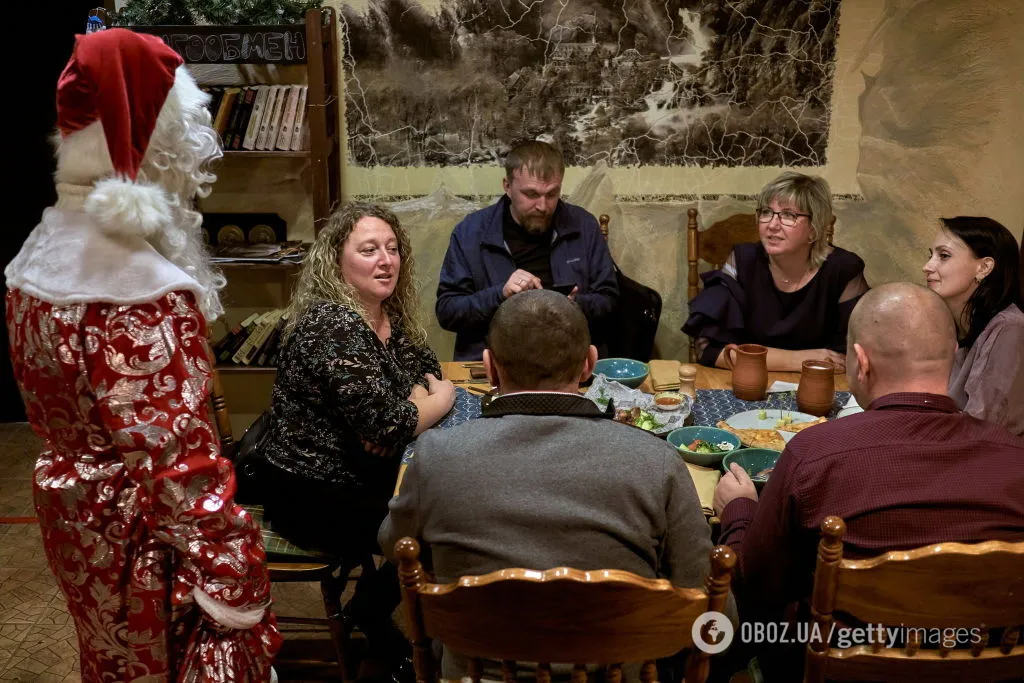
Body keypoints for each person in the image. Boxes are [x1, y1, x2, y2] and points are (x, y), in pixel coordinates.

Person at [4, 29, 280, 681]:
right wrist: (239, 589)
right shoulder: (136, 291)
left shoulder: (37, 263)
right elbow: (181, 474)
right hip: (142, 542)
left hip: (75, 522)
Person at [381, 289, 733, 679]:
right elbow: (714, 612)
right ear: (589, 365)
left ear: (490, 367)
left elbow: (392, 546)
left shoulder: (436, 457)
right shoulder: (657, 461)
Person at [712, 283, 1024, 680]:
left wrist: (739, 510)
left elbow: (754, 588)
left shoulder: (817, 454)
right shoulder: (1015, 458)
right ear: (951, 359)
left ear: (861, 362)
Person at [254, 202, 455, 669]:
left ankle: (374, 604)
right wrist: (436, 402)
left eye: (391, 248)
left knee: (446, 497)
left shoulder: (384, 314)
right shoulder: (334, 323)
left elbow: (423, 369)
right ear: (336, 261)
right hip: (311, 492)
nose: (385, 260)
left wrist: (404, 409)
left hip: (361, 471)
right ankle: (371, 610)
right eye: (368, 250)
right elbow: (390, 423)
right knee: (446, 521)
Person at [436, 140, 619, 361]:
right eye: (531, 195)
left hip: (568, 361)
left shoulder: (583, 226)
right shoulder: (470, 233)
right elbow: (447, 311)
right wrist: (500, 295)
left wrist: (573, 305)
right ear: (507, 186)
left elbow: (611, 302)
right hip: (496, 362)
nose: (543, 206)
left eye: (552, 194)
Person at [683, 172, 869, 371]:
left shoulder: (843, 270)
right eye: (766, 212)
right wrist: (798, 360)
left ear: (813, 229)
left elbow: (849, 357)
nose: (772, 225)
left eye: (789, 215)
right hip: (750, 384)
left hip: (816, 387)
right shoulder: (743, 260)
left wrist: (755, 357)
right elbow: (709, 350)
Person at [922, 216, 1024, 435]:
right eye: (930, 255)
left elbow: (982, 428)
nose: (927, 266)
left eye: (944, 256)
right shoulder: (952, 321)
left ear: (984, 267)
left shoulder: (1010, 328)